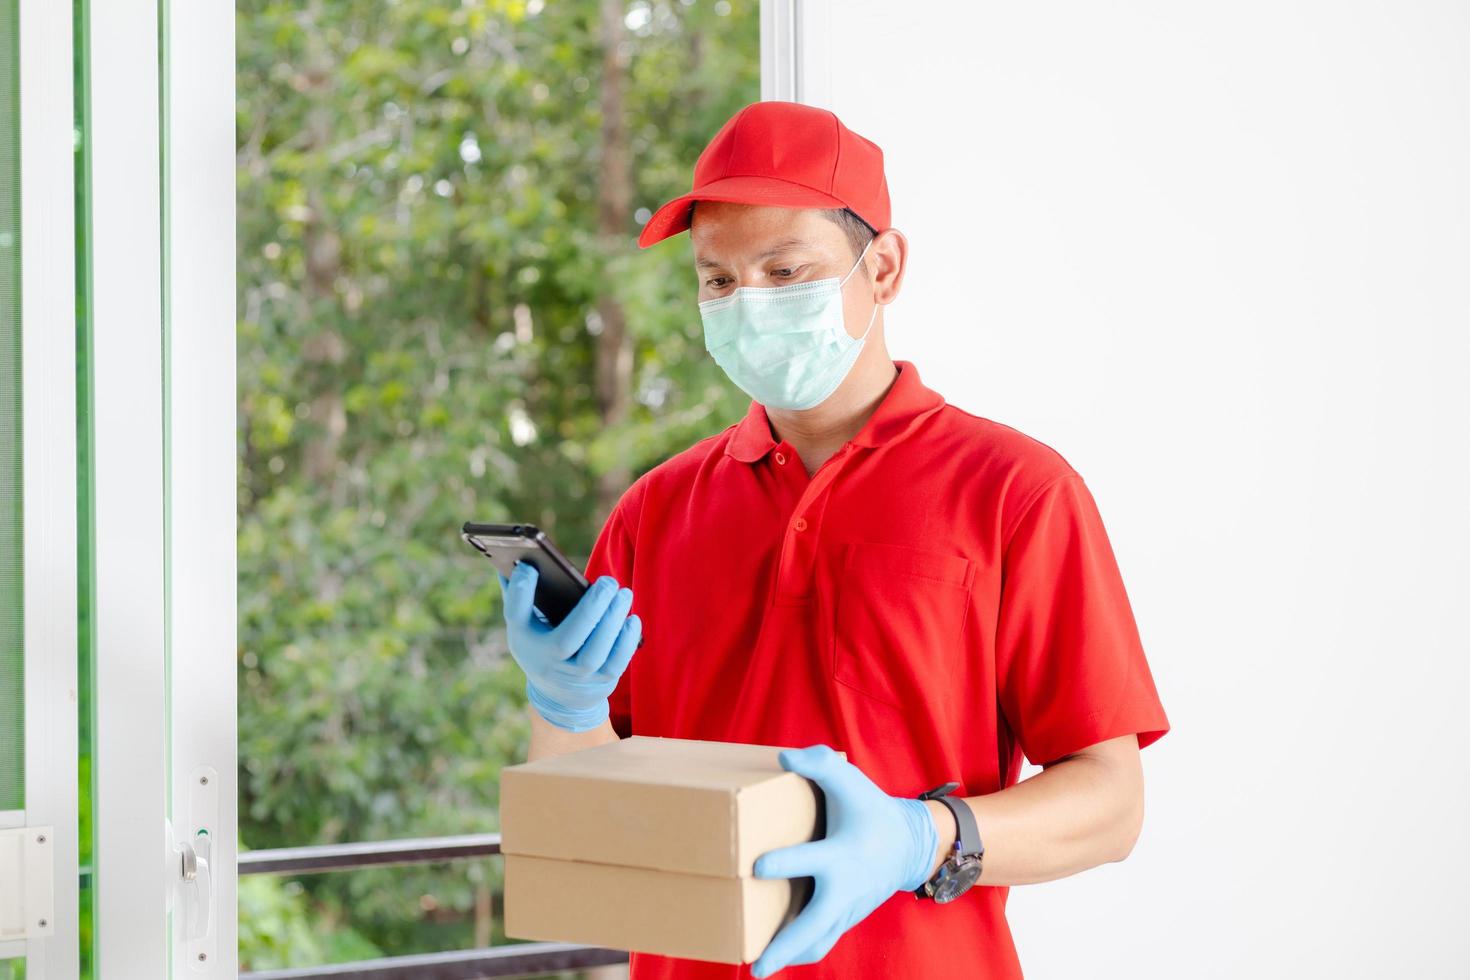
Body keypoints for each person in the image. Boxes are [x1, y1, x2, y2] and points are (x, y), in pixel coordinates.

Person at [497, 100, 1170, 980]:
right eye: (719, 281)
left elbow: (1111, 804)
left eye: (785, 270)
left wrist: (922, 837)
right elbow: (591, 818)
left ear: (882, 267)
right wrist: (564, 712)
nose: (749, 304)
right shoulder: (654, 513)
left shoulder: (1016, 492)